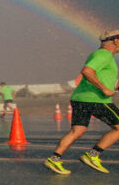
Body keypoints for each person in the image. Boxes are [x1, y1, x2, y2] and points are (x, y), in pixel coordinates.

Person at [44, 29, 119, 175]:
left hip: (80, 98)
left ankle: (54, 159)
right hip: (95, 99)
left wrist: (111, 87)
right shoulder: (104, 54)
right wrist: (103, 89)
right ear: (116, 40)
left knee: (77, 131)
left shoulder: (100, 55)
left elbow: (105, 81)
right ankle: (93, 155)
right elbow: (87, 71)